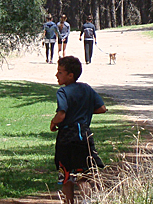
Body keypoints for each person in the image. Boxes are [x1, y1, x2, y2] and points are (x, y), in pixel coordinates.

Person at [49, 56, 107, 204]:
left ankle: (69, 202)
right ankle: (87, 201)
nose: (57, 75)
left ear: (70, 75)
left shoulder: (63, 92)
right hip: (85, 135)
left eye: (60, 72)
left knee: (66, 173)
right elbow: (102, 108)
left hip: (67, 137)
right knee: (84, 173)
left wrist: (53, 122)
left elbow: (61, 115)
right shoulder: (86, 88)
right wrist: (84, 111)